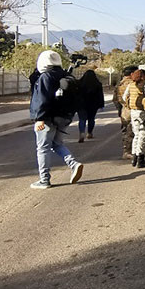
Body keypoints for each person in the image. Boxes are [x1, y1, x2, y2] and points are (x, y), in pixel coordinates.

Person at [29, 50, 84, 189]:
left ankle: (44, 179)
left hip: (47, 118)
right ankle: (73, 164)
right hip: (64, 118)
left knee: (43, 148)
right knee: (57, 144)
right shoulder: (65, 75)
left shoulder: (46, 77)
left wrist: (39, 119)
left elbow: (42, 99)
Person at [113, 65, 138, 161]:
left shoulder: (119, 84)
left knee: (125, 131)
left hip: (124, 111)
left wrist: (120, 110)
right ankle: (129, 152)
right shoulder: (132, 84)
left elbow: (115, 99)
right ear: (132, 73)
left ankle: (127, 150)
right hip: (132, 110)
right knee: (132, 131)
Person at [76, 69, 104, 142]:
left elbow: (75, 94)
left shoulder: (79, 83)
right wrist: (101, 104)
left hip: (81, 105)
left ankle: (82, 133)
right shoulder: (98, 84)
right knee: (91, 119)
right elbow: (100, 95)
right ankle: (89, 133)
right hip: (93, 105)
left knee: (82, 119)